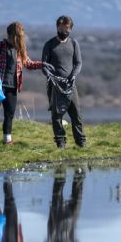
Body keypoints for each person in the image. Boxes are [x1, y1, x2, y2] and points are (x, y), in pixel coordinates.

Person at [0, 22, 42, 145]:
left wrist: (43, 64)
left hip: (12, 87)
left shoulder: (20, 49)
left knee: (9, 114)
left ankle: (7, 140)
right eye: (17, 36)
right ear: (11, 35)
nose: (19, 39)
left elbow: (29, 64)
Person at [41, 15, 86, 149]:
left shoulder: (74, 43)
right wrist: (49, 75)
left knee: (76, 115)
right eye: (61, 28)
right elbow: (44, 65)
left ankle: (81, 142)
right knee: (56, 116)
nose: (64, 31)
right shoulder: (49, 44)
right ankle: (60, 143)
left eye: (66, 29)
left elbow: (78, 63)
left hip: (71, 86)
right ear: (57, 27)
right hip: (55, 86)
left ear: (70, 29)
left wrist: (73, 75)